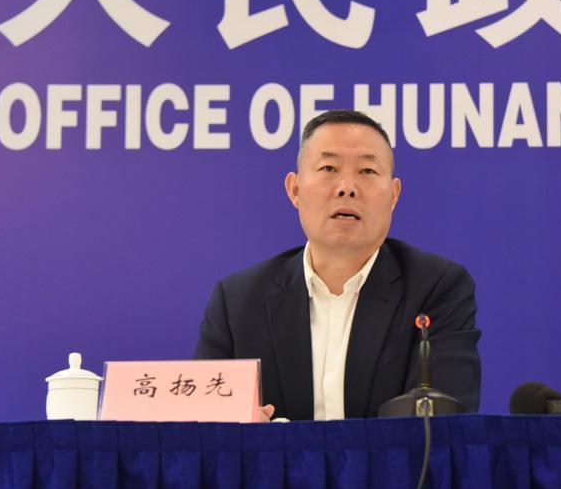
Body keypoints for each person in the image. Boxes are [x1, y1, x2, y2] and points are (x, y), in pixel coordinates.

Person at [194, 109, 481, 420]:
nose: (347, 187)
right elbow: (204, 425)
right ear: (294, 189)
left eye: (367, 171)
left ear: (394, 195)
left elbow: (443, 422)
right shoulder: (237, 303)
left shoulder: (435, 289)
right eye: (328, 168)